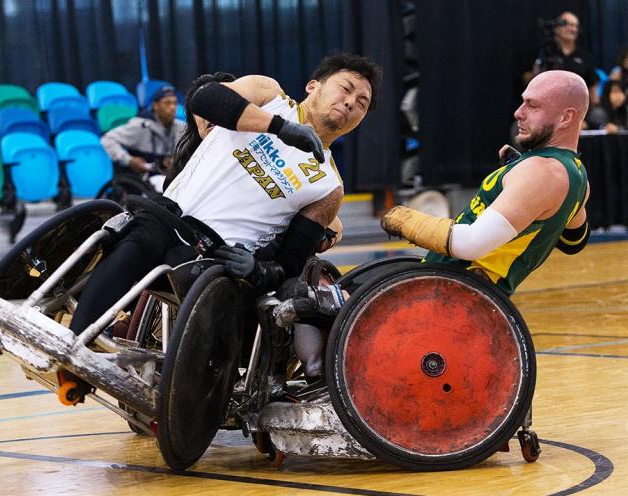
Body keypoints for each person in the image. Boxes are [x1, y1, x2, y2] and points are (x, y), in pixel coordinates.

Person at [70, 53, 382, 334]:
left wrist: (259, 270)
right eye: (345, 88)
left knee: (214, 301)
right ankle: (75, 346)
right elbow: (204, 100)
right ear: (314, 86)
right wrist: (280, 128)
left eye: (362, 102)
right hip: (172, 215)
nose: (351, 101)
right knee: (135, 246)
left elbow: (290, 261)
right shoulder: (267, 94)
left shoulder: (330, 187)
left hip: (216, 254)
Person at [381, 70, 591, 296]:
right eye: (522, 102)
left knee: (344, 302)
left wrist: (404, 220)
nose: (518, 112)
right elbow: (574, 242)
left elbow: (471, 243)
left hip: (451, 299)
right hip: (459, 294)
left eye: (533, 105)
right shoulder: (576, 177)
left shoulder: (544, 173)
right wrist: (519, 174)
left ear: (566, 117)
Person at [100, 85, 186, 176]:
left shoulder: (181, 126)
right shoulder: (140, 126)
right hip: (146, 178)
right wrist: (128, 160)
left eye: (175, 103)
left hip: (172, 176)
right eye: (167, 103)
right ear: (155, 106)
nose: (172, 108)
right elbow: (107, 139)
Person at [528, 12, 598, 105]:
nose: (573, 29)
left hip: (576, 106)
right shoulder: (545, 52)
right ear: (557, 28)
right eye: (568, 25)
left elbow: (592, 86)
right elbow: (528, 78)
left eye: (575, 26)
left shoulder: (585, 56)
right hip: (548, 103)